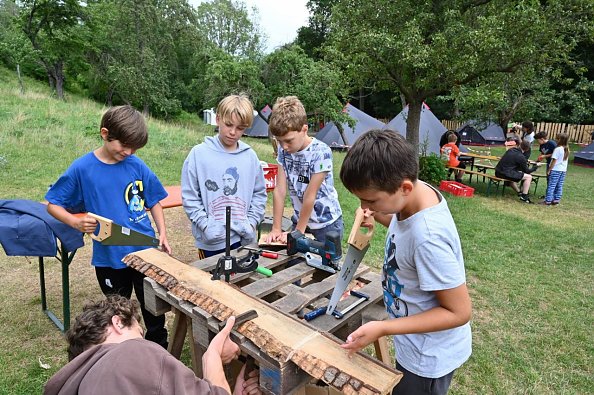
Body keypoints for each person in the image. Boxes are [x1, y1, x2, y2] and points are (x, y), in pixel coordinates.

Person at [338, 130, 472, 395]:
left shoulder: (429, 238)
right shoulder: (413, 199)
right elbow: (405, 229)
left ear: (405, 188)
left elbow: (459, 312)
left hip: (428, 357)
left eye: (371, 200)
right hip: (413, 341)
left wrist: (384, 327)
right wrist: (377, 214)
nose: (364, 205)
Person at [46, 105, 171, 348]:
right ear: (105, 133)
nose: (129, 151)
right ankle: (123, 353)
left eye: (134, 147)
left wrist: (162, 232)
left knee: (154, 311)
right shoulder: (82, 168)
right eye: (124, 145)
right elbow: (53, 204)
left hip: (145, 252)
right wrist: (75, 221)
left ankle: (159, 350)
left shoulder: (136, 164)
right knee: (119, 314)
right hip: (109, 258)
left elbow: (154, 200)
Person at [44, 295, 261, 395]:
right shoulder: (131, 351)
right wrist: (212, 355)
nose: (142, 340)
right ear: (118, 322)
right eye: (140, 332)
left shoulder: (75, 384)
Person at [181, 94, 267, 258]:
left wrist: (251, 223)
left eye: (240, 128)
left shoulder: (250, 157)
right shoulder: (198, 154)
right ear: (218, 119)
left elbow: (259, 194)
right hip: (212, 240)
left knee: (244, 282)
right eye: (228, 125)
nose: (233, 132)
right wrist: (206, 225)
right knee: (213, 281)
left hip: (243, 238)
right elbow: (190, 196)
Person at [264, 96, 343, 244]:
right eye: (279, 141)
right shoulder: (283, 152)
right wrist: (276, 228)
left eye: (288, 140)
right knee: (294, 265)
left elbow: (310, 195)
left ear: (304, 129)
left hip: (326, 226)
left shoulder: (321, 152)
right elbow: (280, 191)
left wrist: (298, 233)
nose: (284, 146)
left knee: (323, 266)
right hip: (300, 222)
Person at [494, 137, 537, 203]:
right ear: (527, 149)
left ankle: (519, 192)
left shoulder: (511, 150)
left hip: (498, 172)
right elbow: (527, 171)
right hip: (505, 174)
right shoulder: (521, 157)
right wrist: (535, 167)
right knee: (529, 177)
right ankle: (524, 196)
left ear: (519, 145)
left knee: (515, 174)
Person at [542, 133, 570, 206]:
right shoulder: (566, 149)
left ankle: (547, 201)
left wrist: (549, 169)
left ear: (560, 140)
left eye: (557, 139)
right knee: (559, 185)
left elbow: (554, 161)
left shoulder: (557, 149)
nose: (555, 140)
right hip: (563, 170)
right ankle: (556, 200)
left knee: (551, 185)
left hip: (555, 170)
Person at [535, 131, 557, 198]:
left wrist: (545, 156)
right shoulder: (542, 145)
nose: (537, 142)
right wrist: (538, 160)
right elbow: (542, 153)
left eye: (538, 140)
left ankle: (552, 195)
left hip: (554, 164)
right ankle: (548, 194)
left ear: (542, 139)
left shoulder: (551, 143)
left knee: (552, 179)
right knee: (548, 178)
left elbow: (556, 154)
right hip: (548, 163)